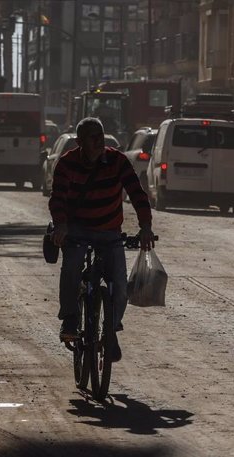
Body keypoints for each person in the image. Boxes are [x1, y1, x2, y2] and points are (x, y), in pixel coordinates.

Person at [49, 117, 155, 362]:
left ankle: (111, 331)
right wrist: (62, 226)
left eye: (100, 136)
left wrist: (146, 226)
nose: (98, 142)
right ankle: (70, 319)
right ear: (79, 142)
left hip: (109, 232)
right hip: (76, 230)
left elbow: (137, 194)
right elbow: (58, 199)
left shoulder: (118, 161)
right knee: (72, 267)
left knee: (119, 284)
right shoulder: (67, 164)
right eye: (91, 137)